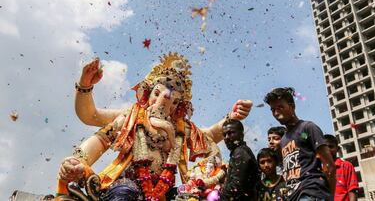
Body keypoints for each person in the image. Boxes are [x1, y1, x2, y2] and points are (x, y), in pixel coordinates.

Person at [56, 53, 253, 201]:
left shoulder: (180, 128)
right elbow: (92, 118)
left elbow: (208, 136)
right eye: (157, 94)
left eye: (174, 102)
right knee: (125, 194)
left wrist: (230, 117)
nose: (163, 103)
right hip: (127, 186)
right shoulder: (131, 116)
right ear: (147, 94)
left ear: (178, 107)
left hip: (166, 190)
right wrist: (76, 162)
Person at [264, 87, 335, 201]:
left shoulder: (307, 128)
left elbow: (329, 166)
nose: (276, 113)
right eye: (273, 110)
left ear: (292, 106)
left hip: (311, 192)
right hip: (294, 196)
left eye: (280, 107)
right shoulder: (283, 141)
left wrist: (330, 197)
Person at [221, 119, 259, 201]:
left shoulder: (241, 152)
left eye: (231, 133)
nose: (226, 137)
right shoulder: (238, 152)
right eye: (224, 135)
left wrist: (221, 197)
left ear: (241, 134)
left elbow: (237, 185)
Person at [323, 134, 358, 201]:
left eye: (331, 146)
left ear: (337, 149)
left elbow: (353, 190)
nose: (328, 150)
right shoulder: (319, 170)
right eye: (325, 147)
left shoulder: (346, 166)